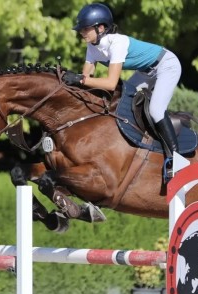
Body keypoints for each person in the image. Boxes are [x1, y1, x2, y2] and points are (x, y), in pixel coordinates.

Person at [64, 3, 182, 182]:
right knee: (121, 101)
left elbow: (110, 83)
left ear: (101, 27)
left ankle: (176, 159)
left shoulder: (116, 43)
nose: (82, 32)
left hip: (167, 65)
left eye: (85, 29)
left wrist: (81, 79)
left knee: (156, 110)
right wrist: (69, 80)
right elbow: (86, 77)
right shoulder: (92, 46)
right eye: (81, 29)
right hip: (145, 72)